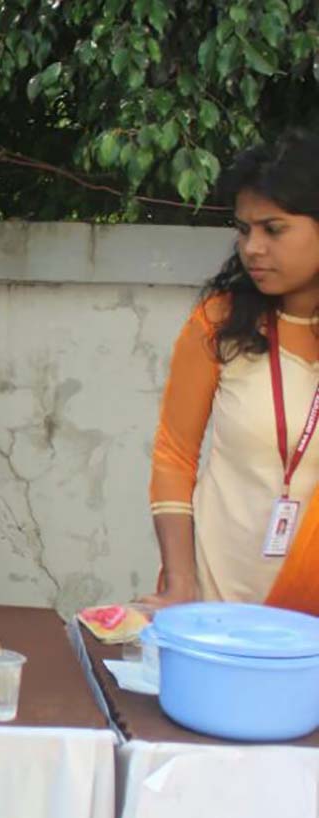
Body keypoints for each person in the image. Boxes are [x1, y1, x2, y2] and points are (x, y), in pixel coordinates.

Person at [146, 130, 319, 614]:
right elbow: (174, 459)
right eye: (244, 229)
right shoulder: (220, 325)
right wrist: (179, 584)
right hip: (218, 605)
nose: (253, 247)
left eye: (274, 229)